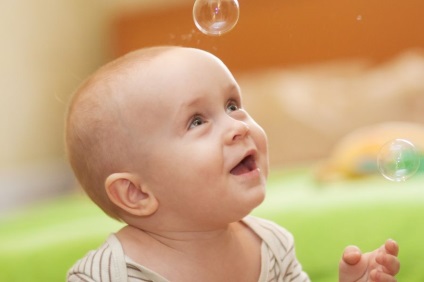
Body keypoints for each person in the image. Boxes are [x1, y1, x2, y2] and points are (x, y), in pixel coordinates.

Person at [65, 46, 400, 282]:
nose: (238, 126)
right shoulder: (107, 275)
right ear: (137, 193)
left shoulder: (272, 245)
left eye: (232, 105)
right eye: (196, 121)